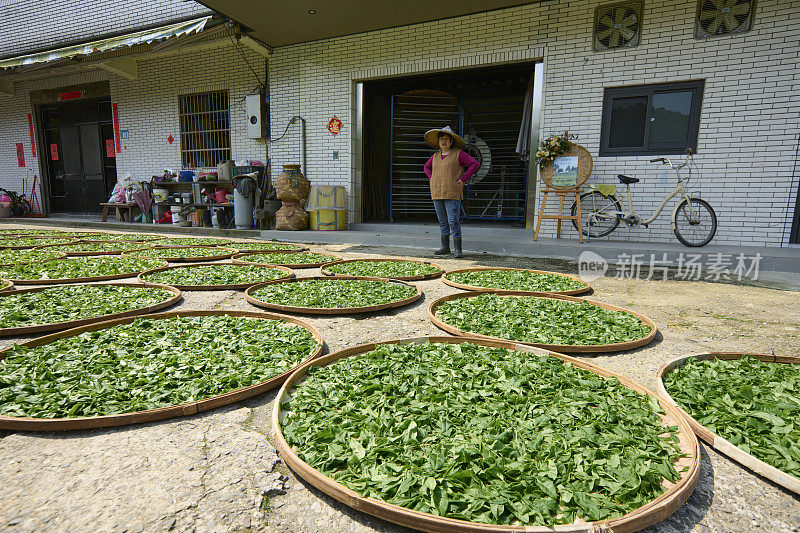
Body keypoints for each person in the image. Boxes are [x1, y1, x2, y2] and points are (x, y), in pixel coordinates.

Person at [423, 126, 479, 258]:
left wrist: (463, 179)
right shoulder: (435, 156)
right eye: (441, 139)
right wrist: (432, 177)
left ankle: (458, 249)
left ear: (451, 141)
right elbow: (426, 167)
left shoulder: (458, 153)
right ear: (438, 142)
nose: (443, 141)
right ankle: (445, 247)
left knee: (453, 220)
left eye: (446, 139)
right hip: (437, 191)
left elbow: (474, 164)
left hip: (452, 191)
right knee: (443, 221)